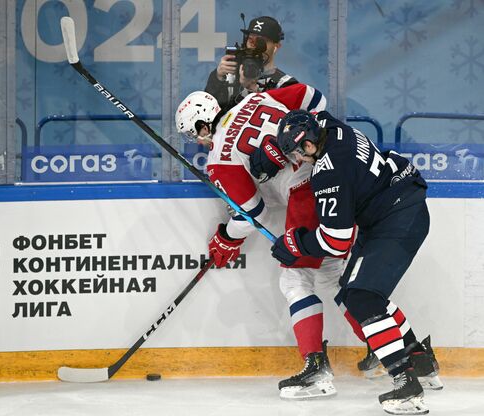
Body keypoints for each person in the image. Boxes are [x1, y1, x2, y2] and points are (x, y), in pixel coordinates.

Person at [176, 83, 352, 400]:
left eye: (194, 135)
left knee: (295, 278)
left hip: (306, 195)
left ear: (204, 124)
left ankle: (316, 369)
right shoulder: (257, 98)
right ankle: (401, 354)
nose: (198, 143)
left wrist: (226, 237)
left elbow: (251, 215)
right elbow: (317, 99)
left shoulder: (218, 158)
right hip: (337, 172)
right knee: (335, 276)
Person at [267, 109, 442, 415]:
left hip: (397, 217)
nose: (297, 160)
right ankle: (420, 359)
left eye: (297, 152)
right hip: (396, 203)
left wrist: (295, 243)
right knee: (354, 289)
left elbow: (336, 240)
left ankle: (405, 382)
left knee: (362, 298)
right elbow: (314, 111)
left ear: (308, 145)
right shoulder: (334, 128)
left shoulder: (328, 174)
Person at [205, 16, 298, 109]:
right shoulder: (229, 75)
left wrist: (251, 90)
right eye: (250, 40)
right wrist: (217, 78)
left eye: (261, 41)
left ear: (276, 47)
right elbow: (206, 113)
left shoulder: (286, 85)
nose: (253, 45)